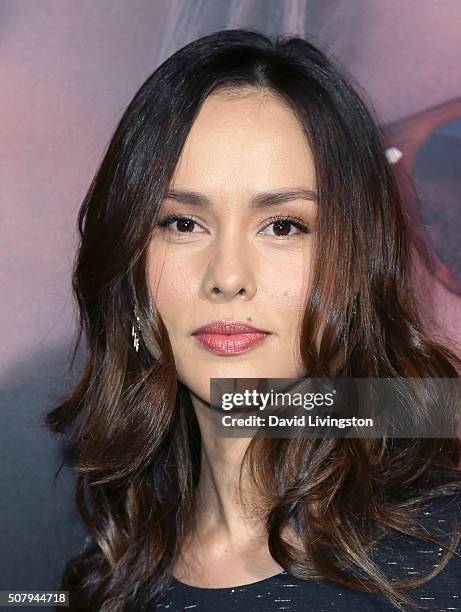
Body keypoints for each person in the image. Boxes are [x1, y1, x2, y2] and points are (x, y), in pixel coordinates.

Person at [45, 28, 461, 611]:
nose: (228, 274)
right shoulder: (108, 577)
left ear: (356, 261)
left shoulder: (442, 556)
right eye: (183, 224)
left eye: (284, 225)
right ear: (131, 268)